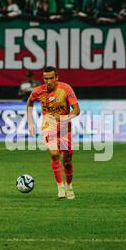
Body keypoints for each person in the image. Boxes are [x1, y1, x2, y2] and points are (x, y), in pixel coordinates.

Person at [27, 66, 80, 200]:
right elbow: (29, 102)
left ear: (57, 77)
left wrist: (64, 118)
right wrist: (30, 122)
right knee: (54, 153)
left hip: (64, 126)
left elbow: (76, 110)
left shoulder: (66, 89)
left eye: (51, 78)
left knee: (67, 160)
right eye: (46, 78)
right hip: (48, 124)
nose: (48, 81)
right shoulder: (38, 91)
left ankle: (69, 186)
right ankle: (60, 187)